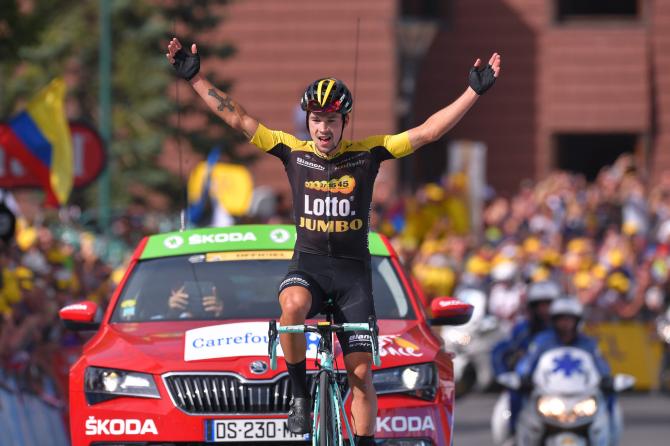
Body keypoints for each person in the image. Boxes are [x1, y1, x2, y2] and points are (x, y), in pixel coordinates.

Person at [167, 37, 501, 445]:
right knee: (290, 307)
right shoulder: (292, 152)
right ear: (307, 121)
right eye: (316, 120)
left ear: (345, 123)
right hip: (308, 266)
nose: (323, 129)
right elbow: (239, 119)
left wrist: (473, 91)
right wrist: (197, 79)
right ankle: (300, 396)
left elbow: (428, 132)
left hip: (352, 277)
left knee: (361, 375)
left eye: (331, 121)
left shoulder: (368, 153)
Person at [491, 280, 560, 434]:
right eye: (539, 305)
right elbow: (499, 351)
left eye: (548, 304)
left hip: (561, 384)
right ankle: (514, 434)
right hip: (530, 385)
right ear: (531, 307)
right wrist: (504, 377)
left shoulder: (567, 329)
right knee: (514, 397)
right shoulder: (522, 329)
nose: (544, 310)